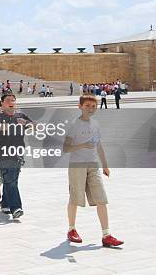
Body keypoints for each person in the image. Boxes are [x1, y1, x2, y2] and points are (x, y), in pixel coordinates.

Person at [64, 94, 124, 247]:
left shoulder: (95, 124)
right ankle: (71, 229)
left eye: (93, 106)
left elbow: (98, 145)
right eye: (87, 106)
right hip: (77, 165)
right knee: (75, 198)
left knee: (101, 199)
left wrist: (105, 165)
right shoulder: (74, 125)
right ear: (80, 106)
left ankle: (106, 235)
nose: (90, 109)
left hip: (93, 165)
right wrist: (82, 145)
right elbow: (66, 148)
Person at [0, 93, 32, 219]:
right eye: (8, 100)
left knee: (11, 179)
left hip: (18, 153)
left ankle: (5, 204)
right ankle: (16, 208)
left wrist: (26, 124)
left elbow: (32, 127)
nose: (11, 102)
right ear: (2, 104)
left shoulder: (21, 116)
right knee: (10, 180)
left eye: (13, 100)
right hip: (4, 153)